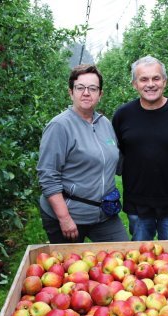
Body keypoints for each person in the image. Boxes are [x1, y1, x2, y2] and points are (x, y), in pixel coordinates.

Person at [37, 64, 129, 243]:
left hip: (104, 215)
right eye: (80, 87)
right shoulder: (59, 126)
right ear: (71, 92)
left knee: (123, 256)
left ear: (100, 95)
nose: (86, 93)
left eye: (93, 88)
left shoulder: (105, 124)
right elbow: (48, 176)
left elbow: (116, 163)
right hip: (68, 215)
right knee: (69, 269)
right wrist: (64, 218)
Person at [112, 55, 168, 241]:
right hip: (137, 202)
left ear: (165, 82)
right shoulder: (123, 115)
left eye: (156, 78)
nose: (150, 84)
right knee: (140, 261)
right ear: (135, 84)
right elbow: (118, 152)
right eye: (144, 79)